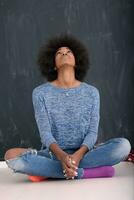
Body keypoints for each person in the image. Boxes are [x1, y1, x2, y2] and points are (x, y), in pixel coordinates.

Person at [4, 33, 131, 181]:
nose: (64, 53)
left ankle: (47, 171)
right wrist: (63, 156)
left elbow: (92, 132)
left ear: (77, 61)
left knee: (123, 146)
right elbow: (45, 134)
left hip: (85, 153)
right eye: (59, 53)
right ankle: (84, 173)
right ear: (53, 64)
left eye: (68, 52)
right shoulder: (40, 93)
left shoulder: (92, 92)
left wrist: (77, 155)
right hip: (54, 154)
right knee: (11, 156)